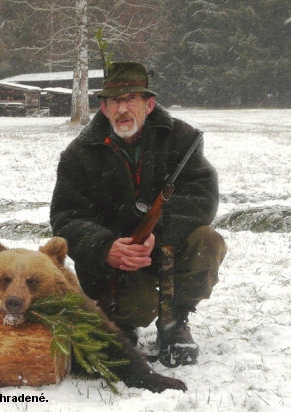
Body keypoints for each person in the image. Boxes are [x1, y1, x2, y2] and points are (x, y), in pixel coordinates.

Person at [50, 62, 226, 365]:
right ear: (103, 108)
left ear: (149, 104)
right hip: (114, 262)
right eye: (115, 101)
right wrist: (105, 248)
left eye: (131, 98)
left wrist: (158, 235)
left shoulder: (182, 139)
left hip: (166, 245)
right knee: (136, 306)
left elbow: (202, 196)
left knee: (208, 241)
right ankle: (121, 323)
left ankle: (176, 321)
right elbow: (66, 217)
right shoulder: (78, 153)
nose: (122, 108)